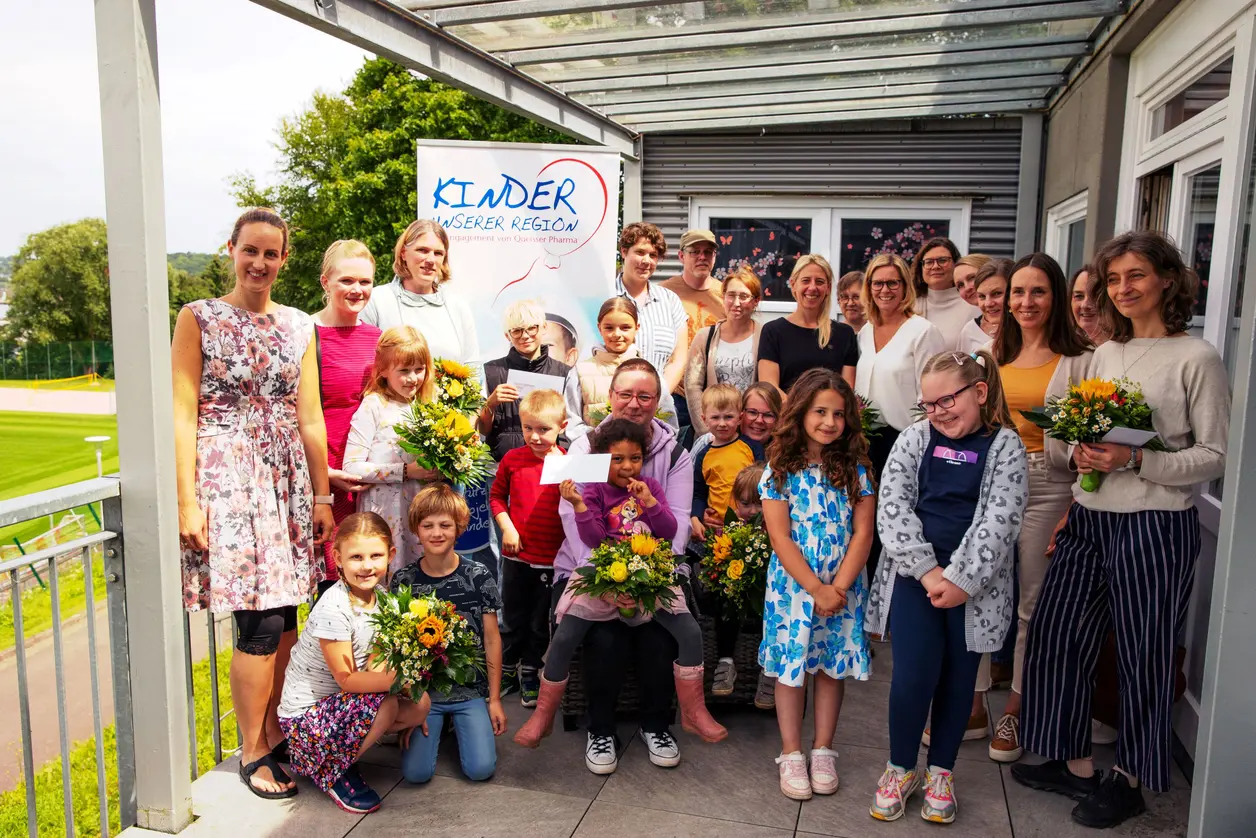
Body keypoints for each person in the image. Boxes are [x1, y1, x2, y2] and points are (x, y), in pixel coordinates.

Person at [1014, 231, 1230, 829]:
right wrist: (1081, 453)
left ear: (1167, 278)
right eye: (1113, 279)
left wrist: (1137, 460)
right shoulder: (1106, 352)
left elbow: (1216, 454)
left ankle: (1131, 778)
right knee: (1057, 631)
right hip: (1089, 518)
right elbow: (1077, 431)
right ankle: (1074, 762)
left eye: (1135, 275)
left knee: (1144, 652)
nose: (1122, 288)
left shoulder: (1197, 357)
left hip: (1155, 526)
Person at [173, 208, 335, 800]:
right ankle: (253, 747)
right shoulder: (199, 318)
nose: (260, 263)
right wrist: (187, 503)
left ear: (284, 260)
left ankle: (275, 726)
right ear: (231, 249)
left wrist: (321, 494)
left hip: (287, 478)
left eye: (271, 254)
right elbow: (182, 411)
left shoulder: (298, 326)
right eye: (250, 251)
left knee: (289, 611)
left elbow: (311, 417)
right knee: (258, 619)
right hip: (227, 479)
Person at [866, 350, 1028, 825]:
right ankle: (900, 768)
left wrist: (960, 579)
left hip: (974, 590)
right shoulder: (916, 438)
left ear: (978, 392)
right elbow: (892, 508)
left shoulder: (1005, 446)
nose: (938, 413)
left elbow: (1002, 519)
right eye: (929, 404)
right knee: (914, 675)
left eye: (947, 401)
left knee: (961, 680)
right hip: (918, 582)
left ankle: (941, 771)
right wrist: (929, 572)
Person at [514, 419, 726, 748]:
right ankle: (543, 715)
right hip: (603, 574)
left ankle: (693, 712)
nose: (628, 466)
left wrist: (651, 503)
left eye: (636, 458)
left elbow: (669, 531)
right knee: (566, 634)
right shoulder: (595, 490)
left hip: (648, 572)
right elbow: (594, 538)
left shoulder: (651, 488)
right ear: (601, 459)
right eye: (618, 459)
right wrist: (580, 504)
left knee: (690, 631)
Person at [554, 358, 694, 774]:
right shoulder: (587, 448)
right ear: (610, 397)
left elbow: (679, 520)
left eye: (645, 396)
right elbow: (575, 519)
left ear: (658, 401)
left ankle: (657, 724)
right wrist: (608, 576)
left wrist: (645, 574)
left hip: (654, 564)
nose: (634, 404)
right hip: (594, 565)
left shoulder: (674, 453)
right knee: (605, 640)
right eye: (625, 394)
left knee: (656, 639)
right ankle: (601, 729)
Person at [981, 253, 1092, 763]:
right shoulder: (990, 356)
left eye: (1038, 292)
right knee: (979, 591)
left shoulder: (1080, 360)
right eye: (1016, 293)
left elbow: (1094, 441)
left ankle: (1017, 709)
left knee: (1032, 604)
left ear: (1057, 298)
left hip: (1051, 486)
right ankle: (974, 703)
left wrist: (1080, 502)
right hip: (992, 483)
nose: (1025, 303)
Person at [760, 369, 876, 801]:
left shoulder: (857, 469)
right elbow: (780, 537)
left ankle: (823, 748)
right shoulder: (779, 470)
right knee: (792, 669)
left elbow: (864, 533)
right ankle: (791, 753)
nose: (830, 422)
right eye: (820, 411)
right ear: (800, 413)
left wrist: (838, 587)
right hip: (795, 586)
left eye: (839, 414)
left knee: (830, 667)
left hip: (843, 586)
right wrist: (815, 588)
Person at [277, 512, 431, 813]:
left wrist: (406, 684)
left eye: (375, 555)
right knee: (386, 705)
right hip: (305, 721)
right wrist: (402, 679)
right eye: (356, 557)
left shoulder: (382, 599)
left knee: (420, 704)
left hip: (339, 705)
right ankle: (330, 769)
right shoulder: (334, 607)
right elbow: (347, 680)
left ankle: (341, 750)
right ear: (338, 558)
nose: (366, 566)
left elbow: (375, 662)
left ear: (391, 555)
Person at [395, 485, 506, 784]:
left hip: (469, 690)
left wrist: (493, 699)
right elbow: (397, 647)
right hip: (425, 694)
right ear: (416, 529)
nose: (436, 533)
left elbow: (492, 638)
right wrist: (406, 707)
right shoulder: (403, 579)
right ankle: (438, 726)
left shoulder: (479, 575)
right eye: (427, 525)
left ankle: (462, 724)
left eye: (445, 525)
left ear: (459, 529)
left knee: (480, 770)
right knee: (415, 774)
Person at [854, 253, 946, 580]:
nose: (885, 289)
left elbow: (937, 392)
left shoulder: (922, 331)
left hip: (906, 442)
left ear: (905, 286)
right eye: (878, 283)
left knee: (898, 525)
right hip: (865, 444)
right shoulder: (865, 332)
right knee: (865, 525)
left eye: (893, 282)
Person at [489, 388, 568, 708]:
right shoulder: (512, 459)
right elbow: (496, 497)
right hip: (516, 557)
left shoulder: (568, 464)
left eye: (543, 429)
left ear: (562, 427)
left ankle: (531, 671)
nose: (534, 437)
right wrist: (507, 527)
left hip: (550, 560)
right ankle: (507, 669)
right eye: (528, 428)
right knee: (511, 614)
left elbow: (579, 509)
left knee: (539, 621)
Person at [312, 240, 382, 586]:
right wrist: (323, 475)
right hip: (322, 482)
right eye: (347, 281)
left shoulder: (379, 340)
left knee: (370, 586)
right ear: (326, 282)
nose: (357, 290)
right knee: (331, 586)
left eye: (365, 282)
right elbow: (289, 419)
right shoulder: (305, 336)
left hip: (370, 484)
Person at [343, 326, 440, 573]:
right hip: (384, 511)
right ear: (384, 370)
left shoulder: (429, 405)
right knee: (387, 574)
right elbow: (352, 467)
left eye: (419, 370)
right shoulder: (374, 405)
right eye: (404, 371)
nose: (413, 378)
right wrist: (406, 471)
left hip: (421, 512)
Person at [359, 219, 481, 377]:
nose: (430, 260)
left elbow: (473, 368)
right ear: (403, 253)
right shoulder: (376, 300)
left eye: (438, 253)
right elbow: (364, 366)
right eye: (422, 250)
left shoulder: (458, 307)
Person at [566, 297, 678, 440]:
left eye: (625, 327)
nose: (617, 334)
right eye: (609, 328)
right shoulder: (581, 371)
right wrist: (600, 441)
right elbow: (572, 423)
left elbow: (669, 424)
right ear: (599, 327)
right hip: (596, 455)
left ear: (637, 328)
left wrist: (646, 442)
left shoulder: (650, 373)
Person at [704, 463, 770, 701]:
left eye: (760, 503)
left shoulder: (776, 531)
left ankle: (769, 670)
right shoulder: (730, 530)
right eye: (745, 504)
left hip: (764, 596)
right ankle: (725, 661)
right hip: (735, 596)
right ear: (734, 502)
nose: (753, 511)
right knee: (725, 599)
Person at [478, 300, 574, 462]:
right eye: (517, 331)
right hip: (501, 465)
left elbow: (570, 425)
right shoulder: (491, 371)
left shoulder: (564, 372)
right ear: (507, 335)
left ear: (544, 328)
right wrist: (491, 403)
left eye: (531, 328)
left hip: (548, 464)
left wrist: (561, 456)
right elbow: (482, 430)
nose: (525, 336)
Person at [758, 254, 859, 394]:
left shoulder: (844, 334)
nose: (812, 287)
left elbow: (846, 391)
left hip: (829, 414)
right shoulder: (773, 331)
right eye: (805, 281)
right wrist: (799, 412)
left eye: (819, 282)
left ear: (828, 288)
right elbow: (769, 388)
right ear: (793, 285)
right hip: (786, 414)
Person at [661, 229, 726, 447]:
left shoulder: (725, 294)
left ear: (715, 257)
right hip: (676, 396)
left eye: (708, 252)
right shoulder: (665, 293)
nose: (702, 257)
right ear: (681, 256)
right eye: (695, 251)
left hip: (715, 396)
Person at [684, 266, 762, 437]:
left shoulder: (765, 336)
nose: (736, 303)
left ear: (755, 301)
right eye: (731, 295)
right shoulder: (705, 336)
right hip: (716, 432)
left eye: (744, 297)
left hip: (752, 430)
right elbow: (693, 385)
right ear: (723, 297)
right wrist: (707, 431)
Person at [615, 222, 688, 397]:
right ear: (624, 252)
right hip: (610, 406)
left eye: (653, 255)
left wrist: (658, 398)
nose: (646, 261)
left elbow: (678, 360)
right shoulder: (604, 296)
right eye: (640, 252)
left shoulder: (670, 301)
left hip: (658, 406)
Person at [689, 383, 765, 544]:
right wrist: (697, 515)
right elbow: (698, 493)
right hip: (716, 531)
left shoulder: (751, 447)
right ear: (704, 419)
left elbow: (763, 484)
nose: (722, 423)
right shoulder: (704, 456)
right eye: (715, 417)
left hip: (750, 527)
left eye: (728, 417)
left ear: (740, 418)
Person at [912, 237, 981, 350]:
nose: (935, 266)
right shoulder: (910, 306)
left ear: (956, 264)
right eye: (929, 262)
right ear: (921, 268)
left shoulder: (973, 305)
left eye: (942, 260)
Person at [958, 258, 1012, 354]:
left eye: (997, 293)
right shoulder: (970, 331)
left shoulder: (1032, 332)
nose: (988, 303)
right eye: (982, 296)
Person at [1070, 264, 1111, 346]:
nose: (1085, 305)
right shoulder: (1067, 349)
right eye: (1079, 296)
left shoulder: (1123, 351)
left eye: (1094, 296)